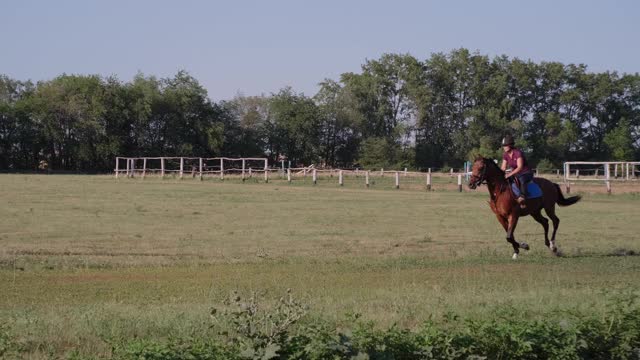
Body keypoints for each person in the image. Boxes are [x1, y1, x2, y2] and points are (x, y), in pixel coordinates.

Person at [500, 135, 533, 208]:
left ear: (511, 145)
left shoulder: (518, 153)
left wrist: (509, 174)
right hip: (516, 173)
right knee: (508, 180)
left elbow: (520, 167)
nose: (504, 147)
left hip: (526, 173)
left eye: (505, 145)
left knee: (521, 179)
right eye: (503, 145)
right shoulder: (505, 154)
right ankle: (515, 196)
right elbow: (503, 167)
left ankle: (523, 197)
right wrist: (500, 175)